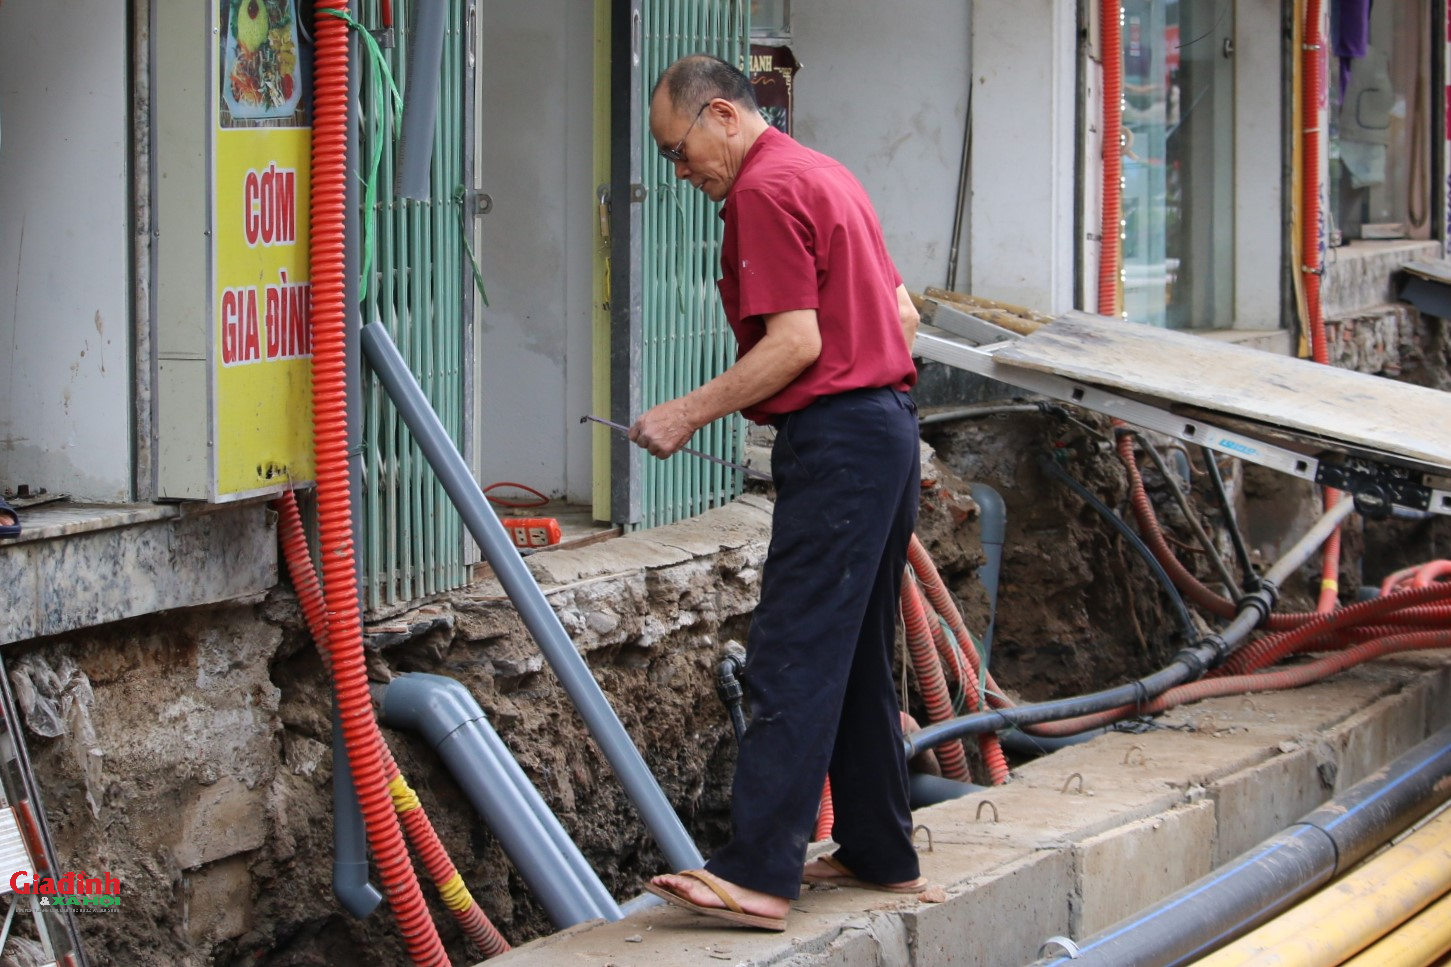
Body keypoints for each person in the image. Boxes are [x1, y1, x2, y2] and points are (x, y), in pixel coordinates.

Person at [633, 54, 926, 931]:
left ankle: (758, 871)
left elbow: (794, 343)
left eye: (678, 152)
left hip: (839, 441)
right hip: (887, 428)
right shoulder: (823, 172)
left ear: (721, 114)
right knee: (854, 653)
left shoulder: (761, 190)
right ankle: (880, 849)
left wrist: (687, 412)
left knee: (793, 650)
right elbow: (904, 315)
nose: (682, 176)